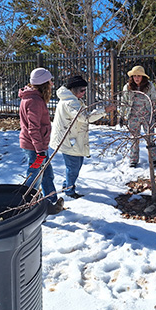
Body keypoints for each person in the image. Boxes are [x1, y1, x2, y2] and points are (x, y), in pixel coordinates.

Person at [50, 75, 116, 198]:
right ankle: (69, 191)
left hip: (73, 139)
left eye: (85, 90)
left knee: (75, 166)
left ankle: (67, 185)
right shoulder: (70, 103)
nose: (84, 93)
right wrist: (104, 110)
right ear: (73, 89)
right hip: (68, 141)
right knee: (73, 168)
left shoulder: (73, 100)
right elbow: (85, 118)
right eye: (82, 90)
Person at [19, 67, 63, 215]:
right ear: (43, 83)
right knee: (34, 178)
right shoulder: (34, 101)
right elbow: (33, 128)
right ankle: (27, 207)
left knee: (47, 175)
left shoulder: (33, 97)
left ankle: (51, 203)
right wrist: (40, 151)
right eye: (50, 80)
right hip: (35, 148)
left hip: (38, 146)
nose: (52, 83)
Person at [120, 65, 156, 168]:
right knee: (134, 139)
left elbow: (154, 100)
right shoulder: (127, 87)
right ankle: (133, 160)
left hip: (147, 115)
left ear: (143, 77)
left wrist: (155, 112)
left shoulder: (149, 86)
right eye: (134, 76)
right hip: (133, 116)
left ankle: (153, 159)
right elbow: (124, 101)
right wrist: (122, 115)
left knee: (150, 138)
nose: (136, 78)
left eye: (139, 76)